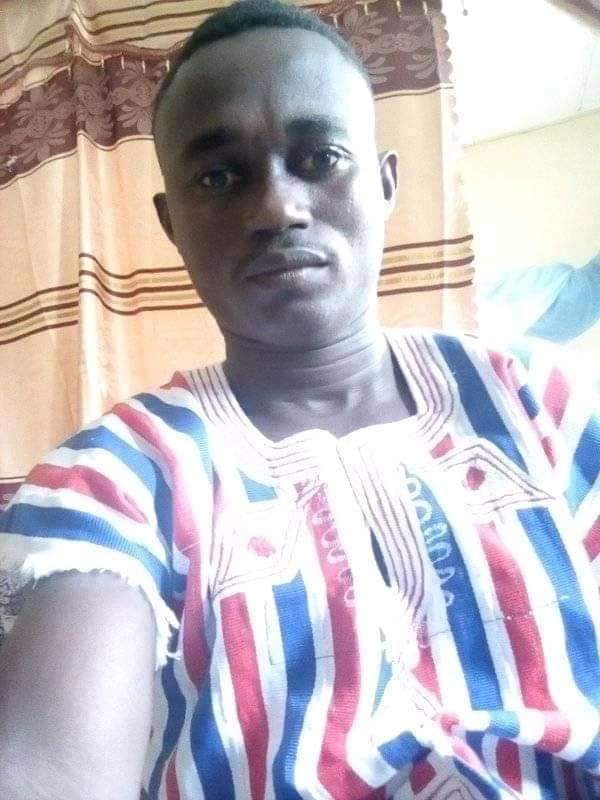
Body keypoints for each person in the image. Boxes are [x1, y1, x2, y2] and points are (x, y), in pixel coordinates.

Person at [0, 1, 598, 798]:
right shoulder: (116, 478)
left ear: (385, 184)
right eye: (220, 177)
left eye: (320, 158)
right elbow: (53, 766)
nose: (279, 209)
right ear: (173, 225)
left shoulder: (538, 404)